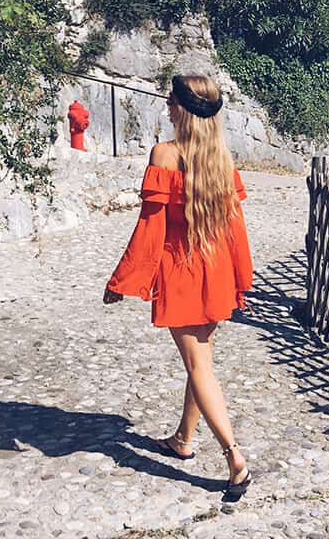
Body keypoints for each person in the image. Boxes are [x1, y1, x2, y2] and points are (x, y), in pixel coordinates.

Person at [103, 74, 254, 499]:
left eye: (171, 99)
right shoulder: (222, 159)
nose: (166, 104)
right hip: (217, 270)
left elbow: (149, 230)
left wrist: (123, 281)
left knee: (198, 367)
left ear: (182, 109)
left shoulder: (164, 154)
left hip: (182, 272)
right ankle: (183, 440)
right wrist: (243, 281)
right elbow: (236, 231)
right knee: (200, 361)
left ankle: (234, 457)